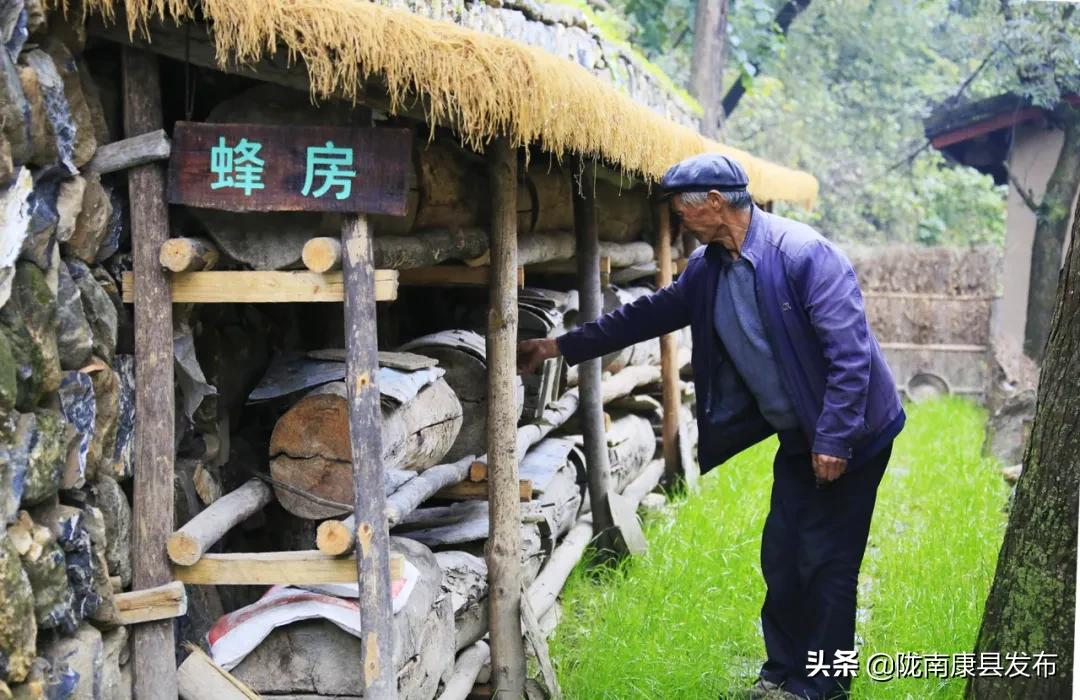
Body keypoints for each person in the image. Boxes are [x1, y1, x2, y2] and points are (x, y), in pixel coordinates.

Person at [516, 153, 905, 700]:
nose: (678, 221)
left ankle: (823, 685)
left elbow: (850, 358)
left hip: (854, 433)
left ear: (715, 203)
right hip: (800, 436)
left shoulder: (805, 256)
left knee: (827, 560)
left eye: (682, 209)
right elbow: (646, 314)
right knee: (783, 552)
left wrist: (835, 440)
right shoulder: (709, 268)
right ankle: (782, 670)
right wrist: (559, 344)